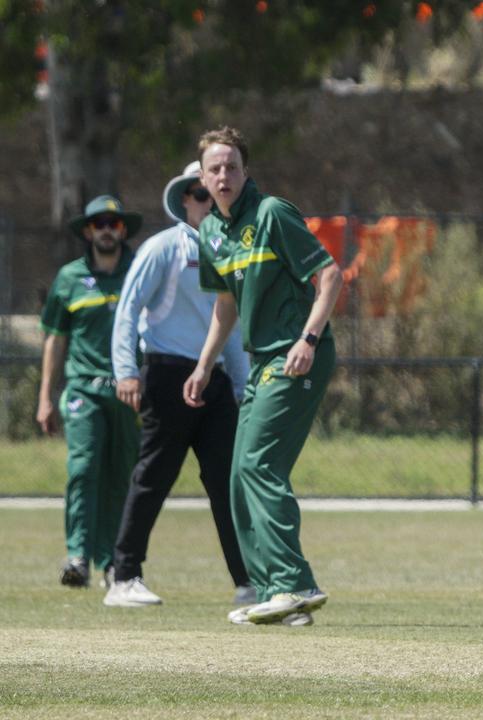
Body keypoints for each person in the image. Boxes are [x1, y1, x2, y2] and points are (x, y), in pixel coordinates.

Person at [182, 126, 343, 627]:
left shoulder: (272, 214)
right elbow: (225, 306)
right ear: (202, 178)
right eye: (214, 168)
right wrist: (205, 363)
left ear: (245, 171)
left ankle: (295, 582)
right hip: (261, 362)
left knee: (258, 464)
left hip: (296, 356)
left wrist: (308, 340)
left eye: (231, 166)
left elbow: (330, 274)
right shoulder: (211, 231)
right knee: (237, 476)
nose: (223, 175)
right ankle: (280, 595)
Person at [104, 161, 254, 609]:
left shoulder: (228, 251)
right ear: (186, 199)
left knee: (229, 483)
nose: (210, 201)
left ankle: (247, 582)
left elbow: (229, 326)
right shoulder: (163, 247)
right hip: (168, 373)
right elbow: (128, 310)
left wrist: (242, 387)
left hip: (215, 381)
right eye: (200, 194)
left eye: (215, 193)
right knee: (154, 477)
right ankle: (123, 575)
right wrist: (126, 370)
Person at [37, 195, 142, 589]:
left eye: (114, 224)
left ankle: (112, 560)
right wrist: (46, 396)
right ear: (87, 230)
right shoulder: (69, 278)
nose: (106, 230)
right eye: (99, 223)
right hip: (83, 389)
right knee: (83, 468)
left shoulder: (137, 270)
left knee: (121, 476)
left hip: (129, 390)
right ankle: (78, 556)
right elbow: (55, 340)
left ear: (122, 230)